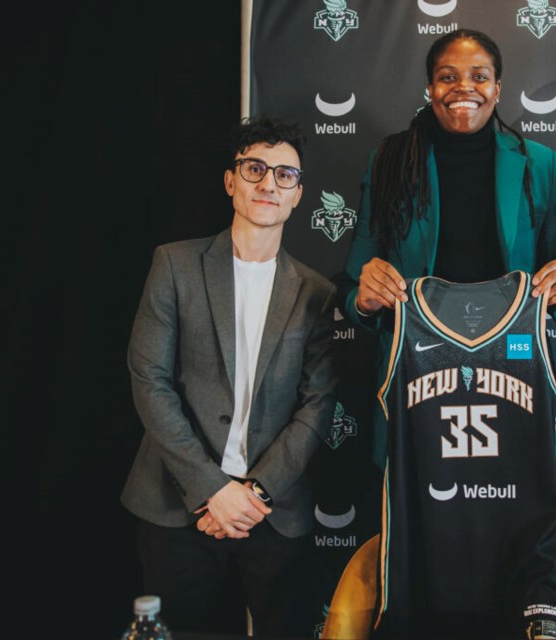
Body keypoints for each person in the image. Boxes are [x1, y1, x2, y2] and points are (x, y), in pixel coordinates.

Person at [333, 29, 556, 639]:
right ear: (428, 86)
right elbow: (352, 283)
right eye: (447, 76)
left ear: (498, 86)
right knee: (424, 565)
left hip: (513, 390)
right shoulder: (390, 160)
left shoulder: (539, 166)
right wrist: (363, 296)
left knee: (514, 562)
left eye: (477, 76)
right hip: (420, 391)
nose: (462, 89)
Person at [121, 115, 337, 637]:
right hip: (176, 505)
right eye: (255, 168)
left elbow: (318, 404)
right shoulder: (174, 264)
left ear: (298, 195)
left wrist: (255, 492)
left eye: (285, 175)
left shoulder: (316, 292)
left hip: (274, 511)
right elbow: (148, 377)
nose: (269, 183)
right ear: (230, 181)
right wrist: (210, 489)